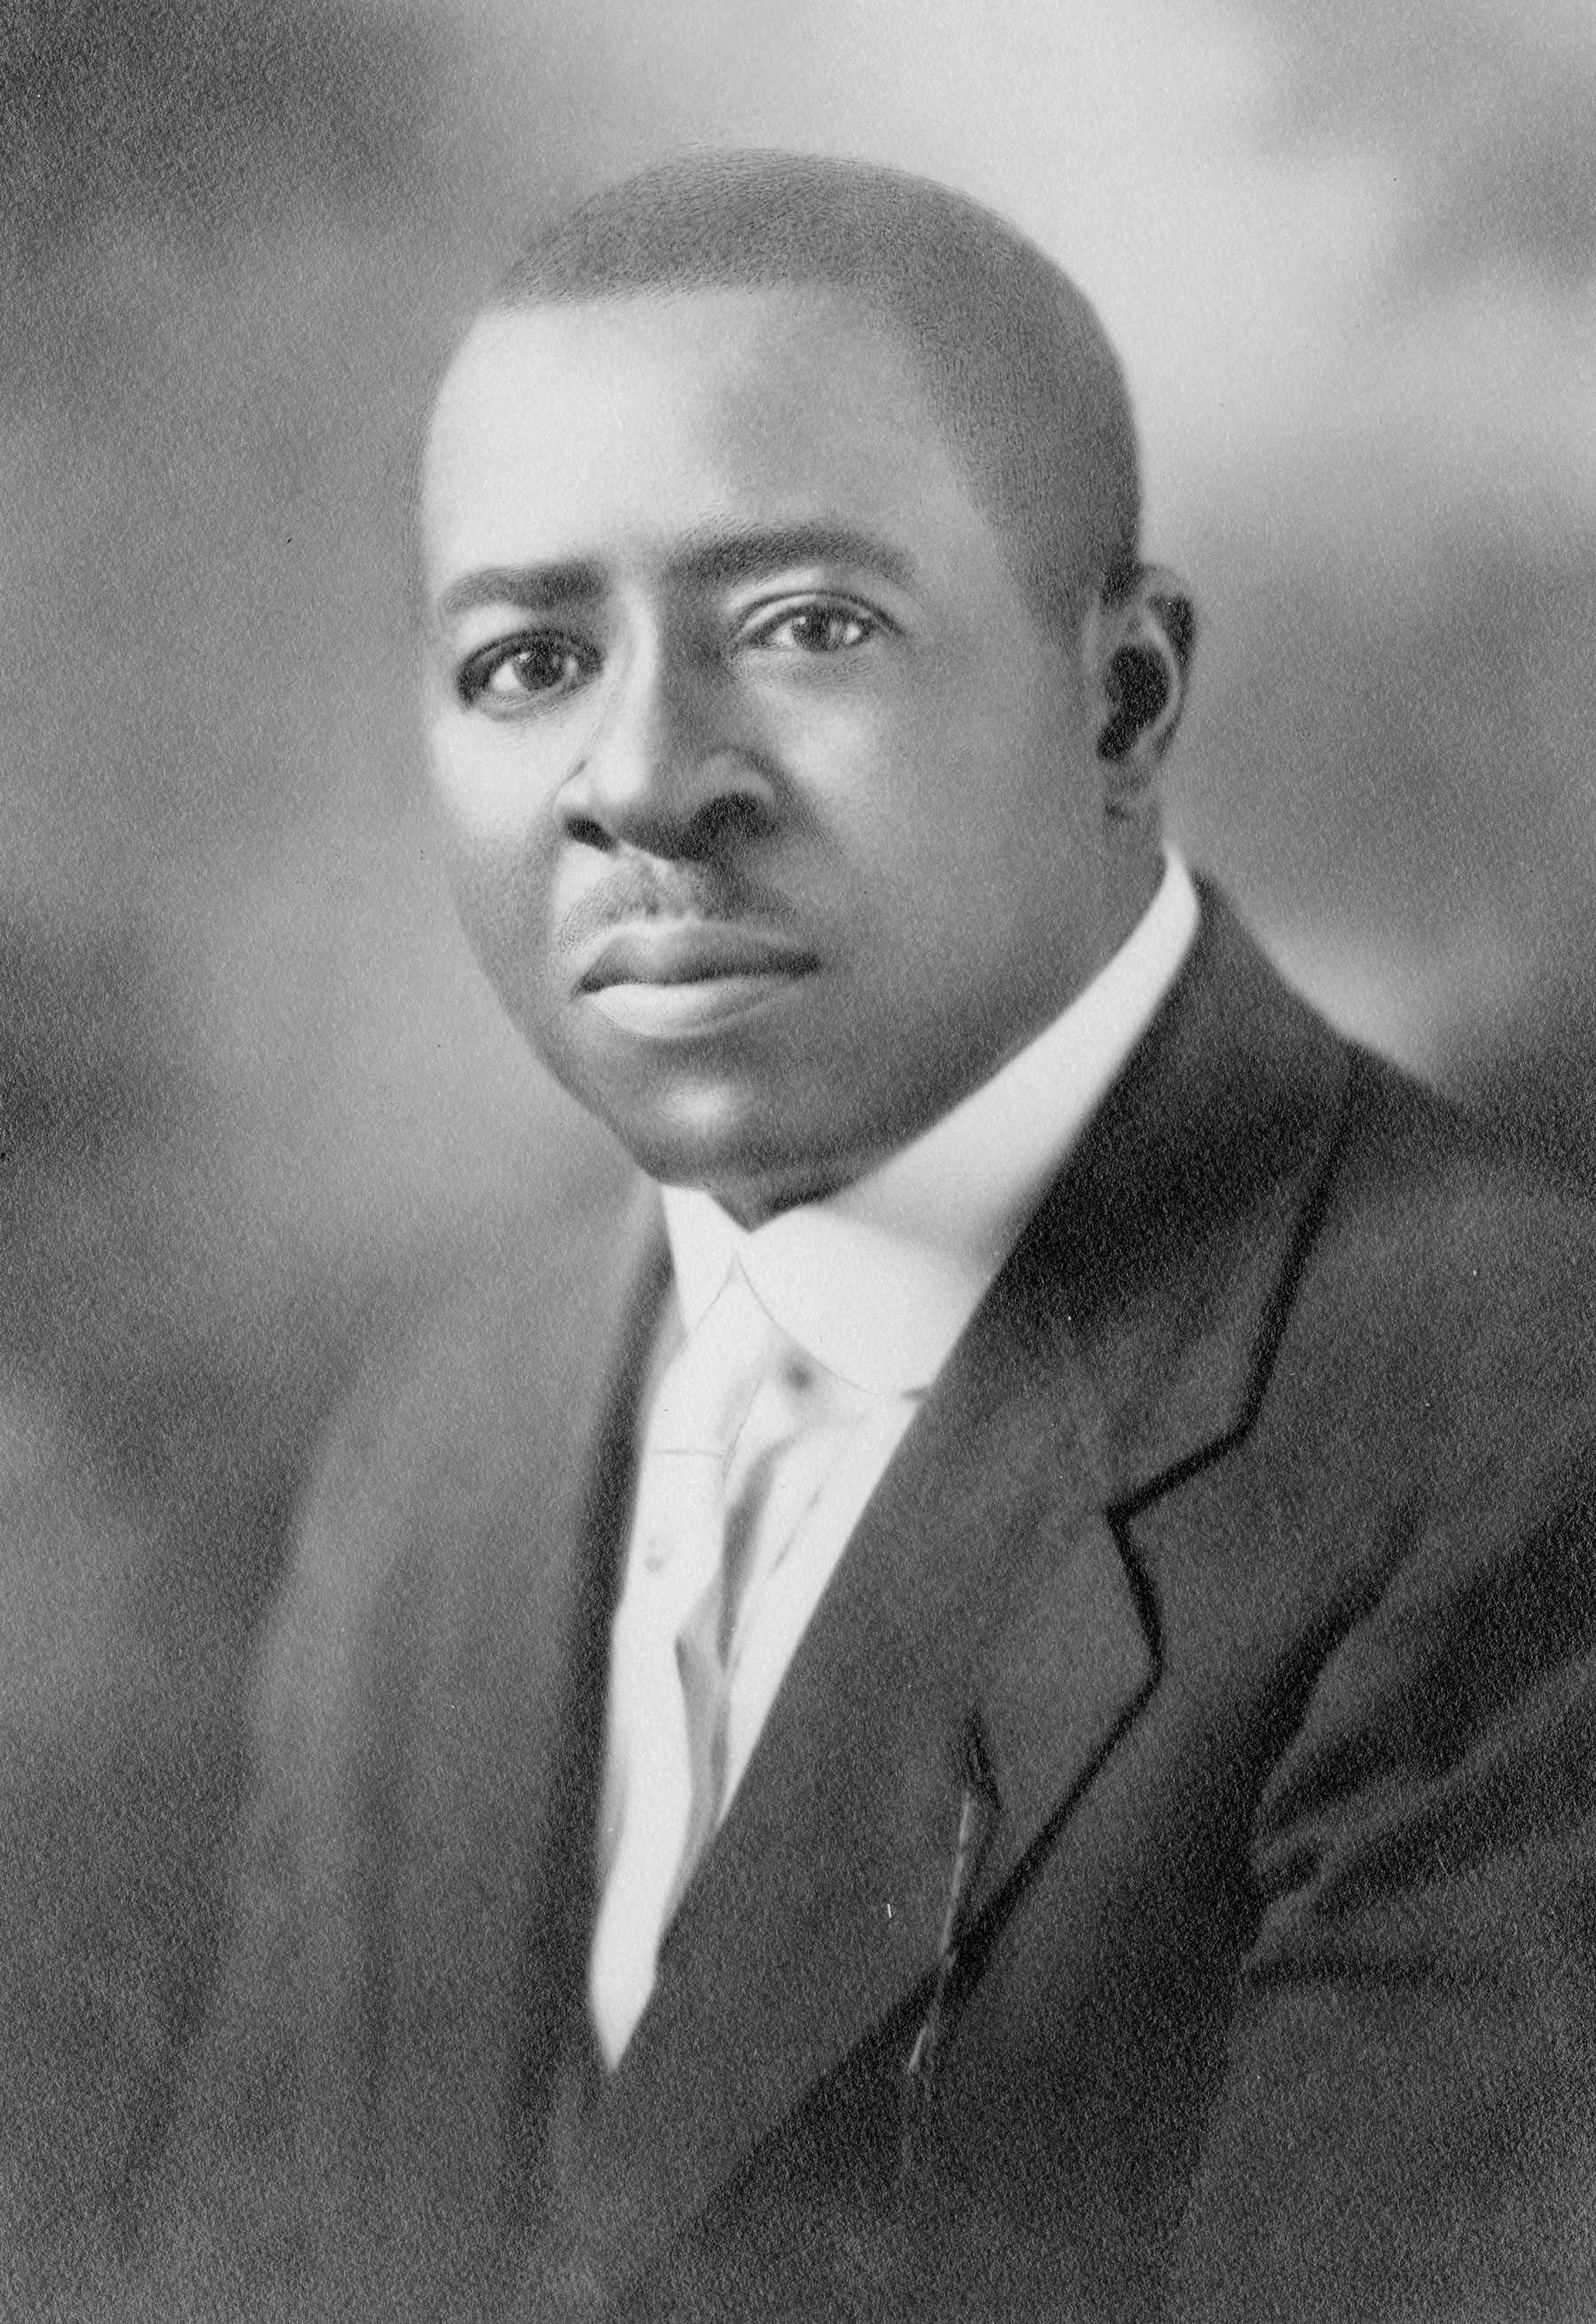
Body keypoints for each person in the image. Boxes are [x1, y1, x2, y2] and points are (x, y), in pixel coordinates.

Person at [149, 152, 1596, 2322]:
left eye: (806, 626)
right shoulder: (438, 1449)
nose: (642, 777)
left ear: (1126, 704)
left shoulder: (1511, 1414)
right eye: (529, 658)